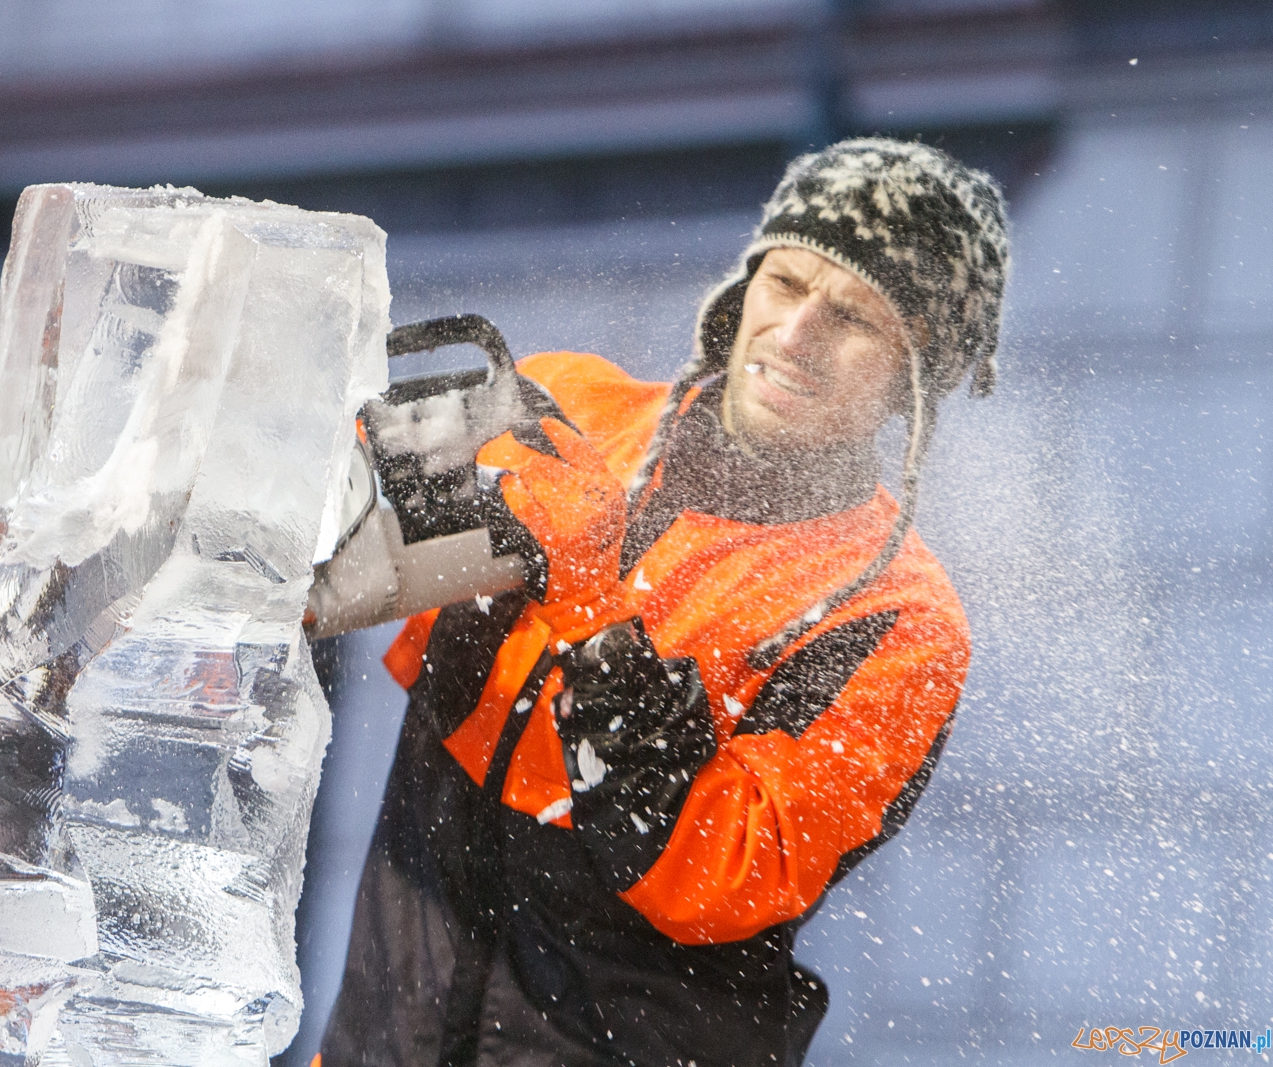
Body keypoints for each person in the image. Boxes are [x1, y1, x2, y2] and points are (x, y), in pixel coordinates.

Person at [320, 138, 1010, 1067]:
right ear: (743, 289)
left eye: (854, 318)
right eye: (786, 283)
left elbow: (717, 877)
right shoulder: (572, 408)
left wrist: (593, 607)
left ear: (914, 379)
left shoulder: (893, 620)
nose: (795, 334)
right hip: (385, 1032)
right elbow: (323, 584)